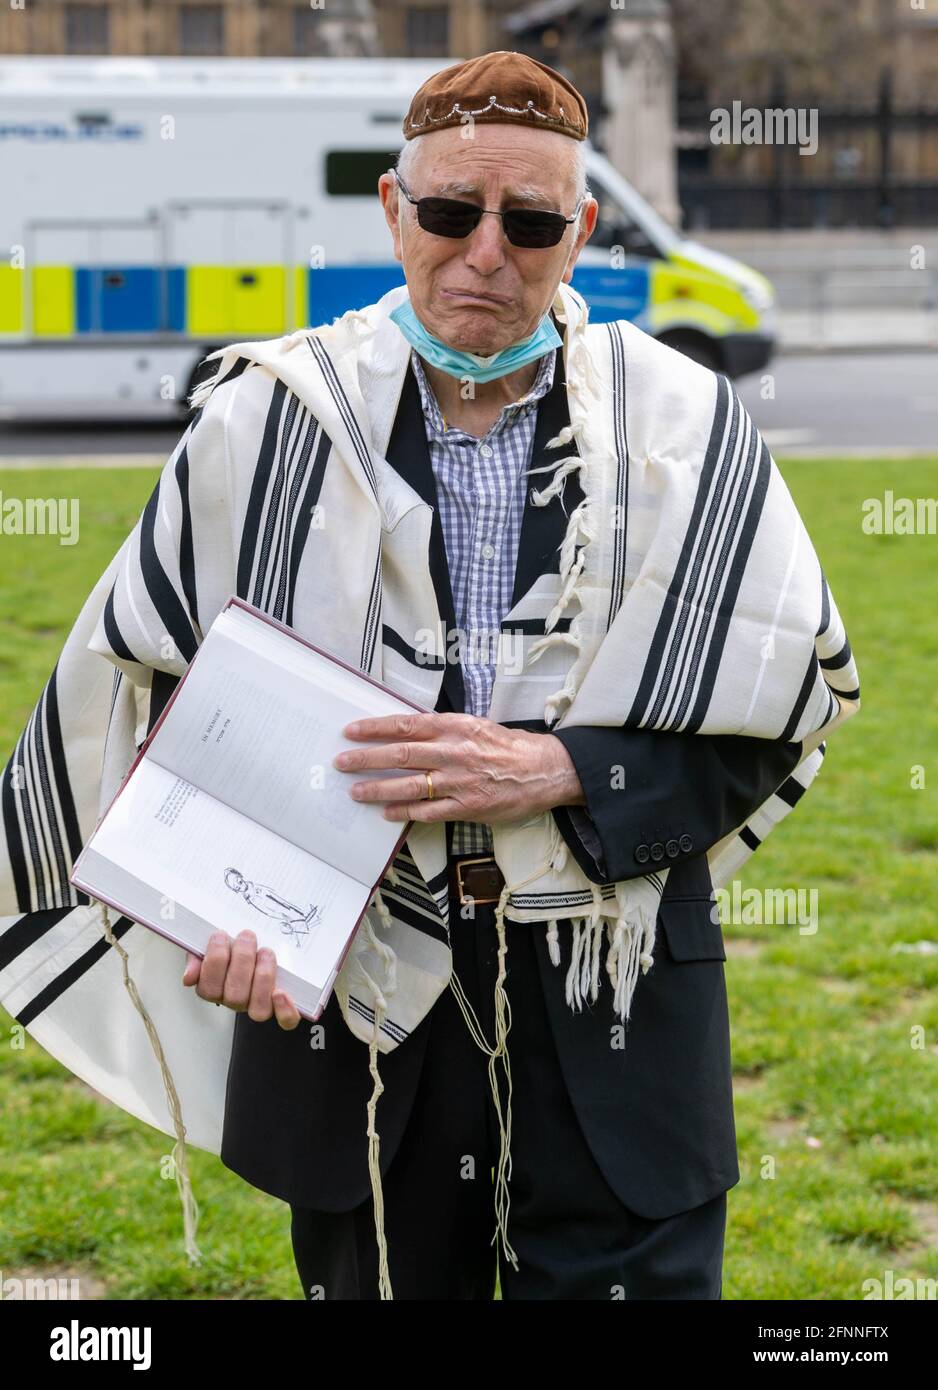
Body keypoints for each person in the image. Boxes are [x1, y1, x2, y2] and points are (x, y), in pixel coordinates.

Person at [0, 51, 860, 1302]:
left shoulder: (687, 427)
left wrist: (562, 767)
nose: (484, 254)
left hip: (607, 1009)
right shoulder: (261, 422)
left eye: (529, 223)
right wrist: (200, 905)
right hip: (346, 1013)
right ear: (396, 211)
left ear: (578, 232)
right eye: (451, 212)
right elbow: (133, 696)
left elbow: (779, 713)